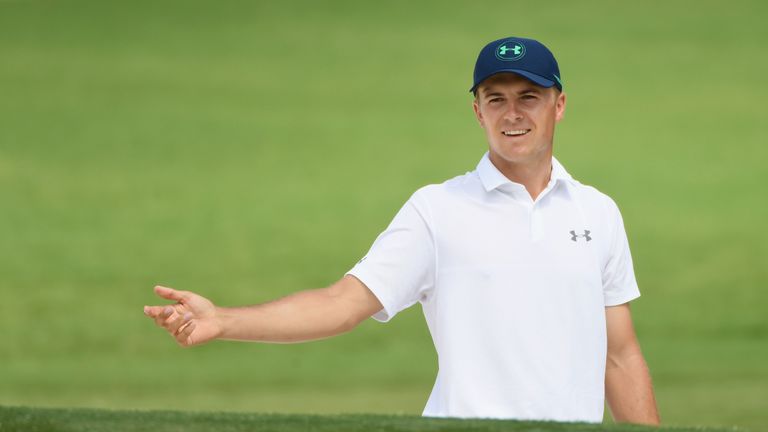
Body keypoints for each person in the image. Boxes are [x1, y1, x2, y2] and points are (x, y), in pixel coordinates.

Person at [143, 36, 660, 425]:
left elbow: (620, 354)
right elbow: (342, 304)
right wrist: (225, 320)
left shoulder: (597, 213)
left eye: (529, 96)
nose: (513, 113)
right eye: (496, 98)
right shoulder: (437, 210)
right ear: (476, 109)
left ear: (559, 105)